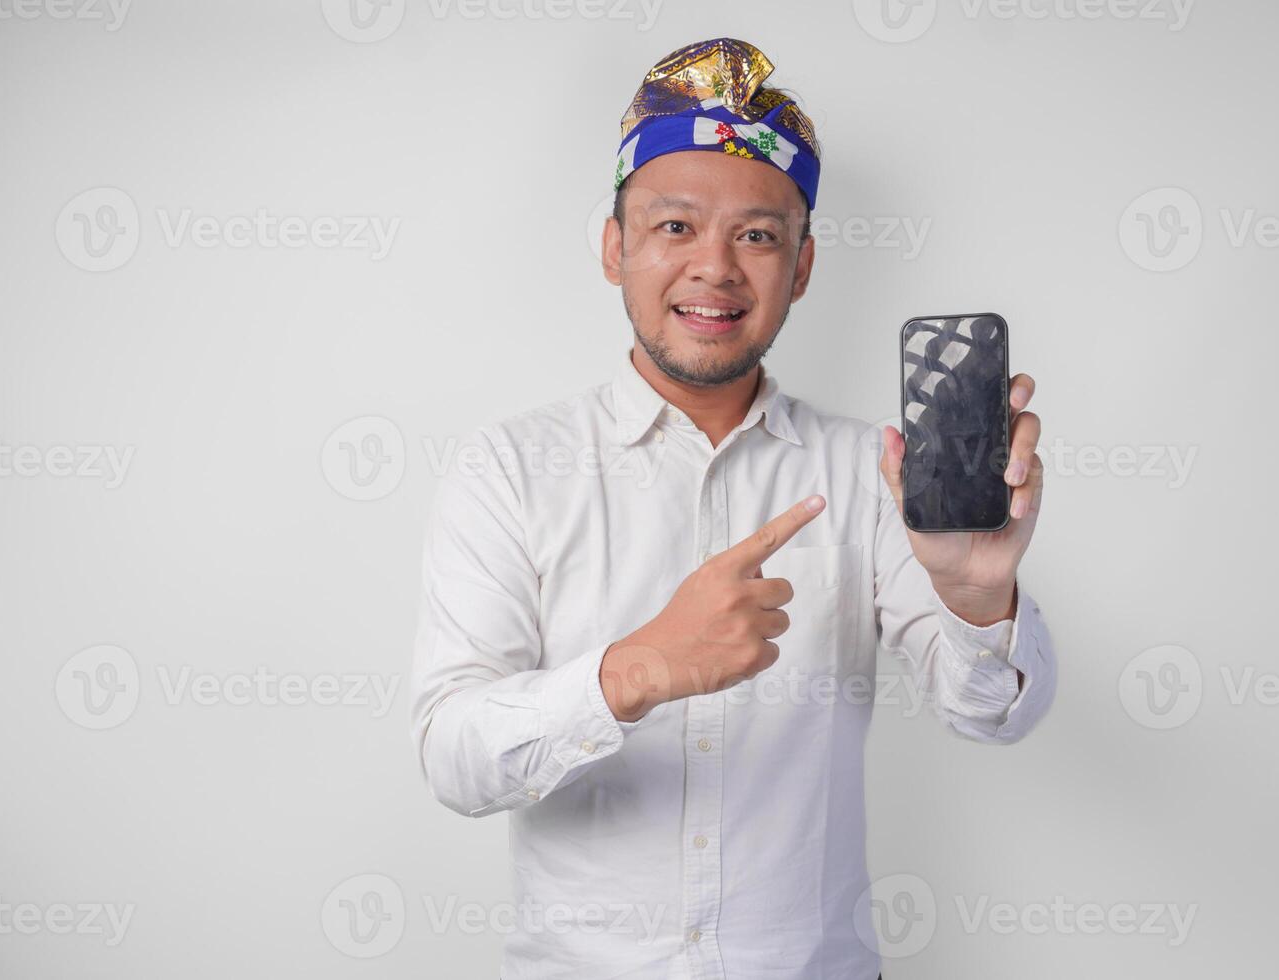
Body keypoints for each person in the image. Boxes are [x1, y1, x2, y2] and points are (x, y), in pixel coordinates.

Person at [411, 36, 1057, 980]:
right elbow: (453, 758)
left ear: (799, 269)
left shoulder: (871, 474)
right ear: (614, 246)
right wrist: (633, 671)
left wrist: (973, 595)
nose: (715, 267)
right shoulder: (510, 468)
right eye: (675, 227)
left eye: (756, 236)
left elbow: (994, 715)